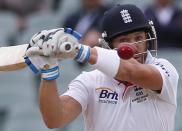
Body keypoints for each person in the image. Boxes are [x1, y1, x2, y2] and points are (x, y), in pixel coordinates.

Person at [24, 4, 179, 131]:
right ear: (109, 45)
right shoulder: (90, 80)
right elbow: (54, 120)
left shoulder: (164, 69)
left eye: (139, 38)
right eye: (124, 40)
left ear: (147, 38)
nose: (134, 47)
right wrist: (48, 71)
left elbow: (131, 71)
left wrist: (79, 50)